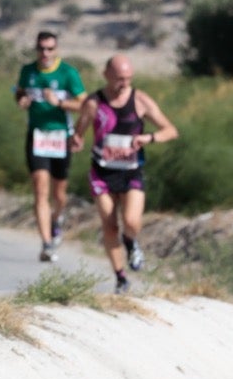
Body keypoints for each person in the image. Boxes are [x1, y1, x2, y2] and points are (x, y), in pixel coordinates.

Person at [69, 54, 178, 294]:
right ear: (106, 75)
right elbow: (79, 131)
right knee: (109, 226)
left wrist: (148, 138)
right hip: (102, 173)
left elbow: (170, 130)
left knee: (131, 221)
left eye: (128, 79)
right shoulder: (94, 103)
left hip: (131, 172)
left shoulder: (140, 100)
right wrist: (75, 141)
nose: (124, 84)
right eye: (119, 79)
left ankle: (131, 242)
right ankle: (120, 277)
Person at [14, 31, 85, 263]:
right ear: (36, 49)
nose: (45, 53)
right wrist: (21, 100)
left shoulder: (68, 73)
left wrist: (60, 103)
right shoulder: (28, 71)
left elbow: (85, 105)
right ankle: (46, 243)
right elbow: (20, 92)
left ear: (56, 50)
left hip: (61, 137)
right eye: (41, 49)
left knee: (59, 194)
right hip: (37, 136)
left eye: (50, 49)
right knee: (40, 189)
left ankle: (57, 218)